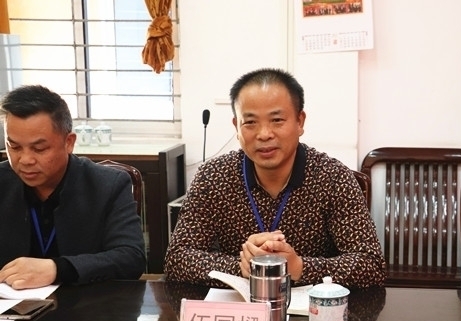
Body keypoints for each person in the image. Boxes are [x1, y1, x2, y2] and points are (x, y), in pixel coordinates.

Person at [164, 68, 386, 288]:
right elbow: (177, 259)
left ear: (300, 121)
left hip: (311, 308)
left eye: (277, 120)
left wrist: (299, 267)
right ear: (236, 127)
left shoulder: (333, 178)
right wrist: (242, 267)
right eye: (250, 122)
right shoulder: (213, 177)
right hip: (241, 306)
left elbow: (371, 264)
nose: (264, 134)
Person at [0, 85, 146, 289]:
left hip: (85, 303)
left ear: (69, 142)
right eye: (14, 147)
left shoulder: (108, 185)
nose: (25, 160)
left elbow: (131, 258)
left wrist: (58, 269)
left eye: (39, 148)